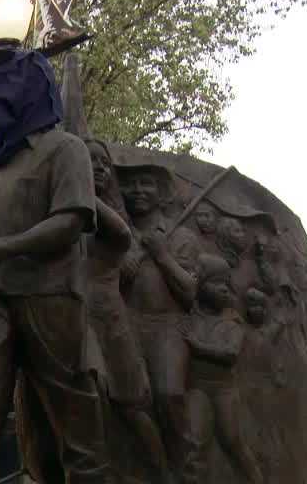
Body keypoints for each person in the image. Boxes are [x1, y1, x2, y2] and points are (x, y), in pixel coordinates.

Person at [0, 49, 109, 484]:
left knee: (75, 417)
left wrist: (2, 248)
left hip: (51, 294)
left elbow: (72, 220)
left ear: (24, 94)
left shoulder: (66, 151)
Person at [84, 140, 169, 479]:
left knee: (132, 404)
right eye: (90, 162)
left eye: (104, 163)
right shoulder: (62, 208)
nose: (100, 168)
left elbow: (125, 249)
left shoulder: (119, 217)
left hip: (110, 314)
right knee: (91, 393)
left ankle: (162, 472)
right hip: (76, 316)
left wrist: (130, 262)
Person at [118, 164, 200, 484]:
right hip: (126, 324)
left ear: (161, 192)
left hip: (168, 326)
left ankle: (187, 470)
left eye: (146, 183)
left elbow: (189, 293)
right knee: (129, 400)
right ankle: (154, 471)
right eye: (131, 184)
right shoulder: (120, 233)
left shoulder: (182, 237)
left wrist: (162, 254)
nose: (138, 190)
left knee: (168, 394)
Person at [181, 254, 264, 483]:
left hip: (223, 390)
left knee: (232, 441)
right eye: (217, 283)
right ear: (201, 285)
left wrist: (198, 346)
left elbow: (230, 354)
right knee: (193, 445)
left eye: (227, 284)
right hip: (197, 388)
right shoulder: (190, 314)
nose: (224, 289)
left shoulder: (232, 319)